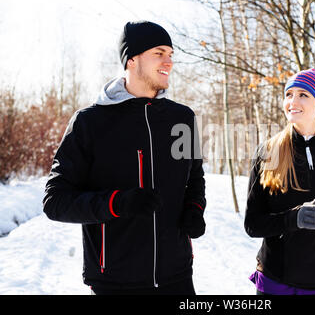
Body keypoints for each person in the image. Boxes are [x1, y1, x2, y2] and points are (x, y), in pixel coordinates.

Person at [43, 21, 206, 295]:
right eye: (159, 53)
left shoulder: (182, 119)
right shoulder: (90, 123)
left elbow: (194, 178)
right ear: (131, 60)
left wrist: (195, 208)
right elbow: (55, 202)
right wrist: (117, 203)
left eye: (171, 54)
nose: (169, 61)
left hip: (177, 277)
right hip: (116, 281)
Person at [244, 68, 315, 295]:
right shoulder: (268, 152)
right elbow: (252, 224)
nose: (292, 101)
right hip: (276, 280)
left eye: (303, 95)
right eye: (289, 94)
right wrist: (293, 218)